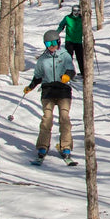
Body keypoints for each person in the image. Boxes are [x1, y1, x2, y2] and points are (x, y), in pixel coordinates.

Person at [24, 30, 77, 163]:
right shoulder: (43, 59)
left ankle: (66, 147)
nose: (51, 46)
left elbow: (72, 70)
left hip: (63, 91)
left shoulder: (65, 56)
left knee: (64, 118)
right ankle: (42, 146)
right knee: (47, 118)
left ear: (58, 42)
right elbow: (38, 76)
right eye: (48, 43)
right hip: (48, 92)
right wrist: (31, 86)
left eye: (53, 43)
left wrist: (67, 76)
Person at [56, 4, 84, 76]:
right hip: (69, 41)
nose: (76, 13)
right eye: (75, 11)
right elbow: (61, 26)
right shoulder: (67, 18)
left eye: (78, 11)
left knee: (80, 58)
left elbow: (87, 28)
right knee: (68, 58)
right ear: (72, 11)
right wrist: (56, 34)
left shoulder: (82, 18)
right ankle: (69, 73)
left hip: (78, 41)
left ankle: (83, 73)